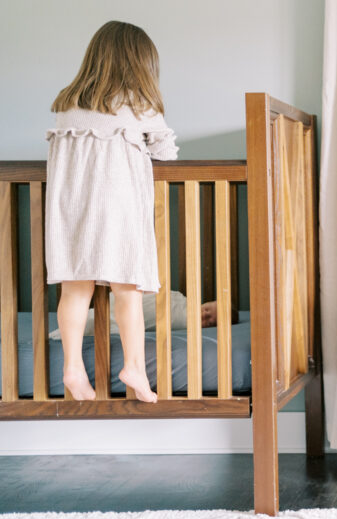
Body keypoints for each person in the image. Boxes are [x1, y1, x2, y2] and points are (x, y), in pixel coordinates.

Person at [45, 21, 178, 403]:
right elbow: (166, 150)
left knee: (74, 288)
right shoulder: (139, 104)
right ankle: (133, 365)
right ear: (138, 64)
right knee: (129, 290)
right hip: (116, 208)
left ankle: (72, 367)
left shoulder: (66, 102)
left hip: (70, 209)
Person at [47, 291, 241, 340]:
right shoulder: (181, 299)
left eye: (210, 322)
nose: (204, 316)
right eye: (208, 310)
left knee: (95, 322)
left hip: (122, 318)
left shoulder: (184, 321)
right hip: (124, 305)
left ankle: (78, 325)